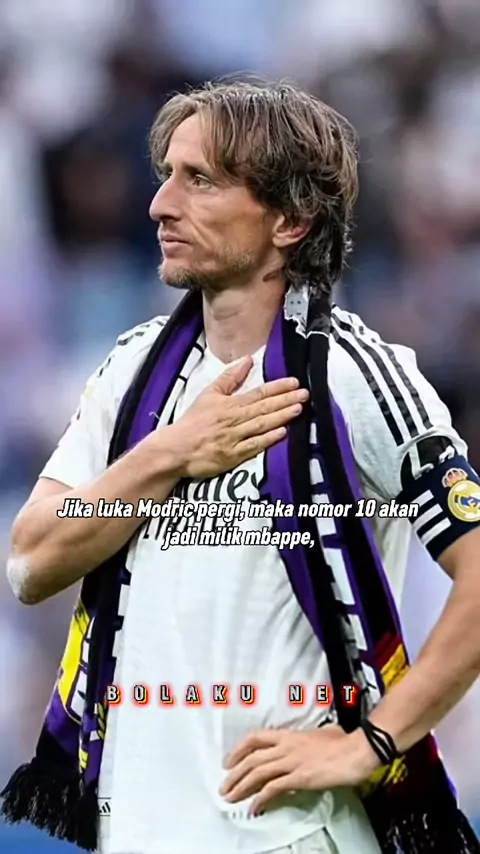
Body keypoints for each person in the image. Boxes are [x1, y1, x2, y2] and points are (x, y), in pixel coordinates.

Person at [3, 79, 480, 854]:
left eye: (199, 180)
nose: (159, 205)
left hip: (289, 837)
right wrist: (171, 453)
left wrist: (371, 744)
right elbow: (30, 562)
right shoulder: (129, 373)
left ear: (290, 220)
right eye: (166, 175)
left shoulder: (354, 376)